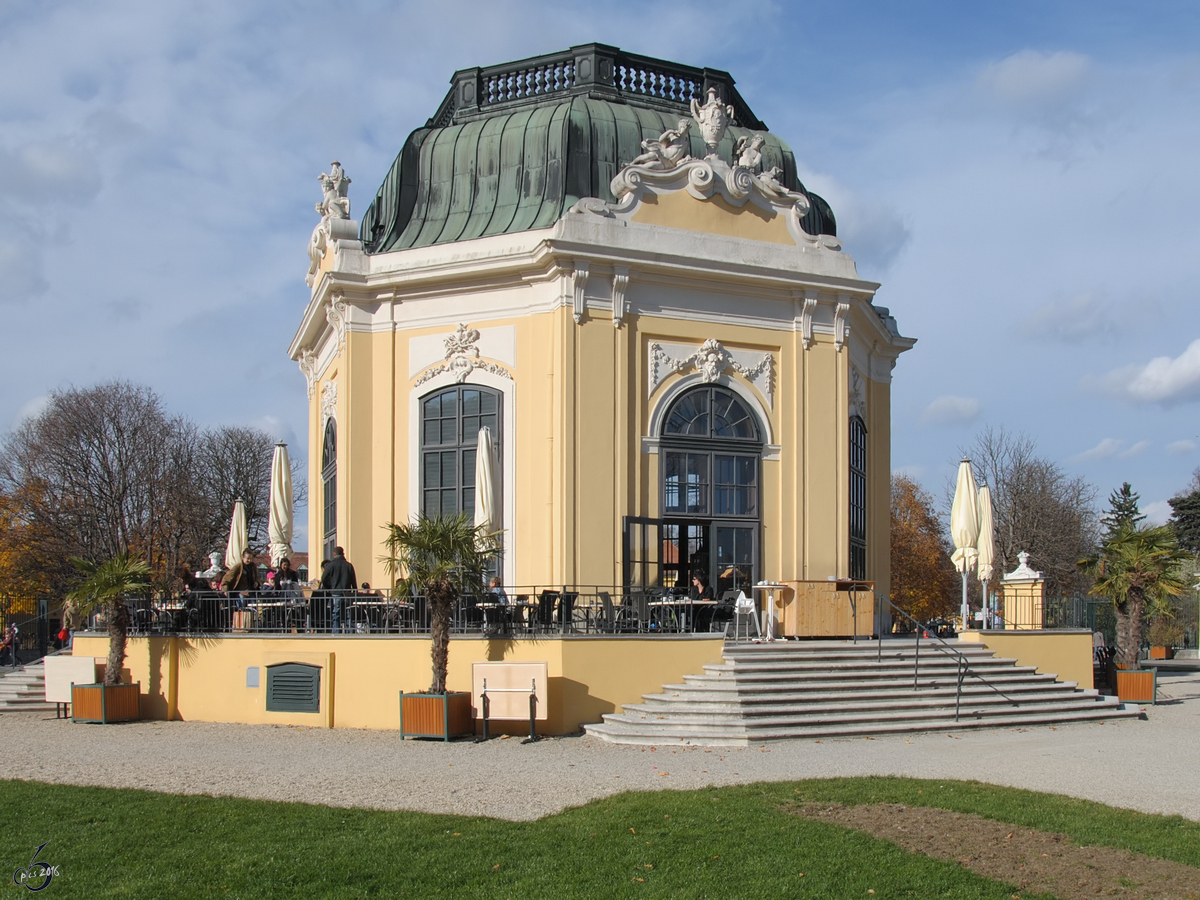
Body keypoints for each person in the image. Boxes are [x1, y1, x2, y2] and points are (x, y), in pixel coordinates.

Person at [320, 546, 357, 634]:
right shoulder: (349, 565)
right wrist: (355, 592)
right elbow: (353, 580)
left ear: (334, 554)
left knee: (336, 614)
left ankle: (336, 633)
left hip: (336, 593)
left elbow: (323, 578)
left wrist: (329, 586)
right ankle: (350, 633)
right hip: (347, 593)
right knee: (348, 614)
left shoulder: (331, 565)